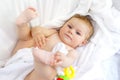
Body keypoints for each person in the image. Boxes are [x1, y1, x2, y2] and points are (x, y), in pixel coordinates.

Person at [12, 7, 94, 80]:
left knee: (49, 74)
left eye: (78, 33)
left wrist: (63, 60)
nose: (71, 31)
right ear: (63, 25)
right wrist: (37, 33)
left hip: (38, 71)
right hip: (25, 56)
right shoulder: (53, 33)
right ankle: (22, 23)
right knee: (27, 38)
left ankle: (40, 61)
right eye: (69, 26)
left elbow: (69, 61)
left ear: (83, 42)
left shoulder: (72, 51)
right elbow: (37, 29)